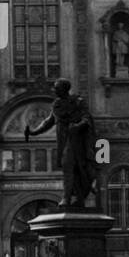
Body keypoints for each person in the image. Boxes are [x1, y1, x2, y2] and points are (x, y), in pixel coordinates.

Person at [24, 79, 98, 209]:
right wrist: (33, 132)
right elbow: (48, 122)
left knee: (71, 167)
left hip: (78, 142)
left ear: (64, 89)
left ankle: (67, 198)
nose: (54, 90)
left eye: (56, 88)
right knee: (71, 169)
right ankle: (78, 199)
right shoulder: (57, 105)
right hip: (64, 142)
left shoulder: (78, 102)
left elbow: (87, 118)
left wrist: (77, 126)